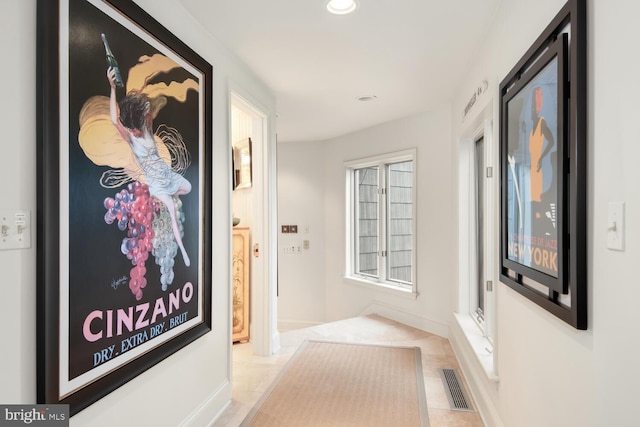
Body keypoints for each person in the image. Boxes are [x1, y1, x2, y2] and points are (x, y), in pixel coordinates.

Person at [107, 66, 192, 267]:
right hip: (157, 184)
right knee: (172, 213)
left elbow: (147, 110)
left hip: (167, 174)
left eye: (136, 129)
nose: (135, 132)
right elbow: (113, 119)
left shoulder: (146, 127)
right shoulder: (130, 138)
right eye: (132, 129)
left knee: (188, 188)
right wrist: (112, 87)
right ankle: (184, 252)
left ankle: (173, 196)